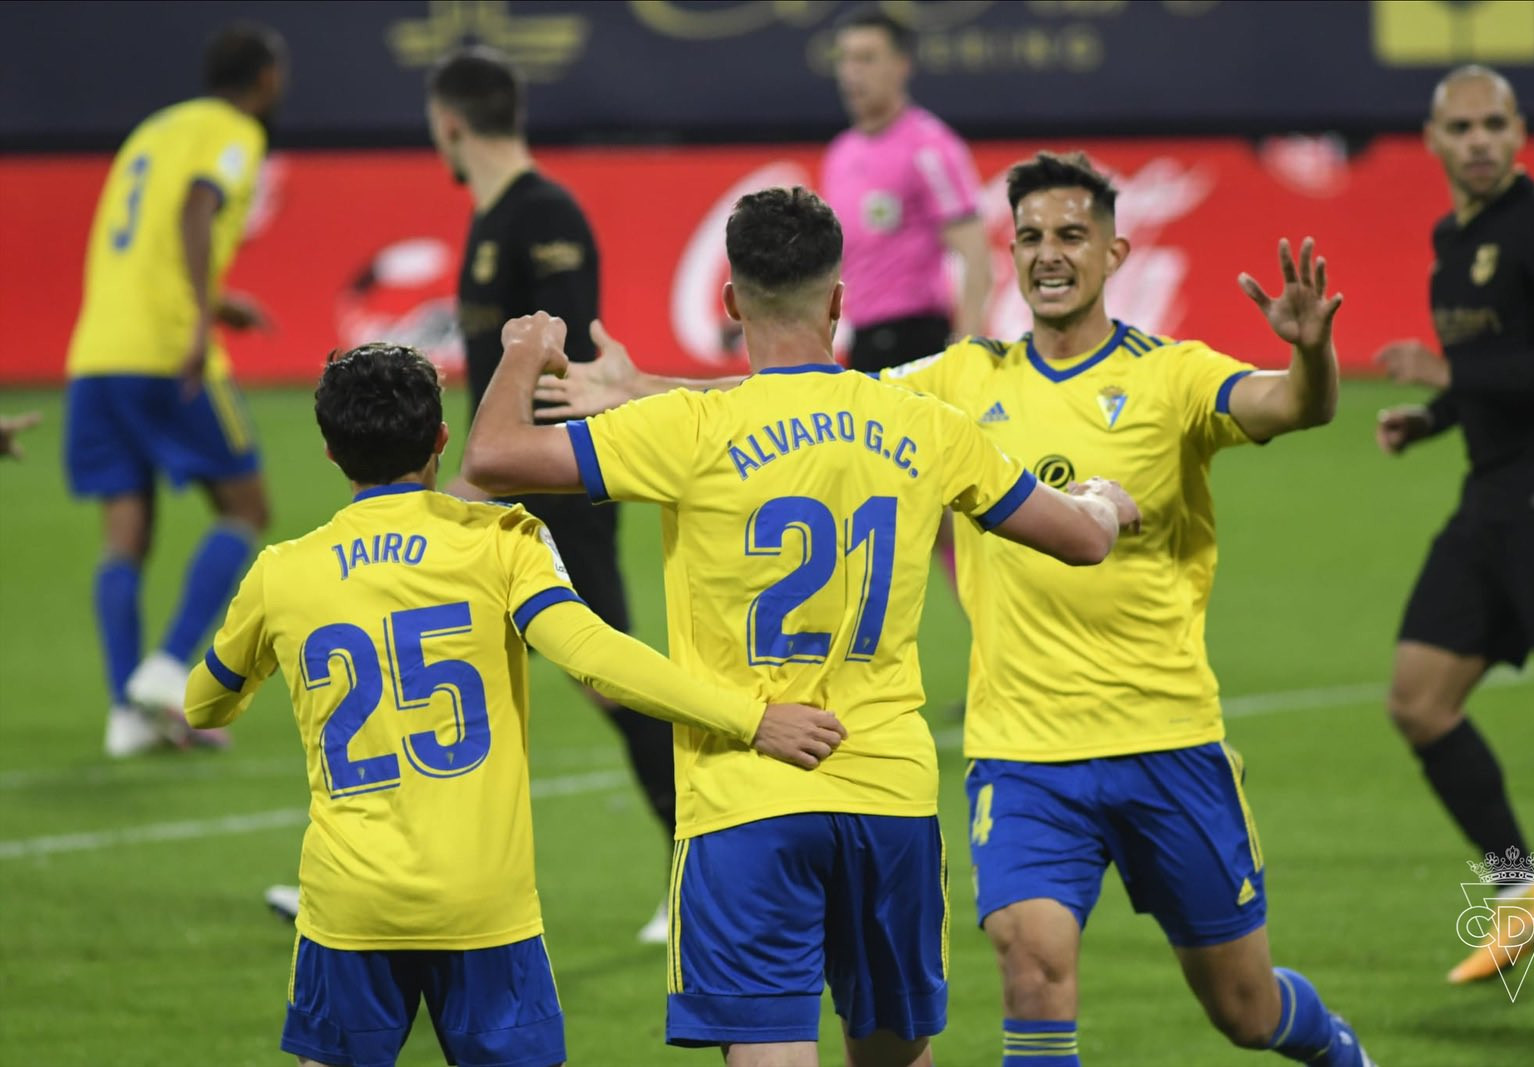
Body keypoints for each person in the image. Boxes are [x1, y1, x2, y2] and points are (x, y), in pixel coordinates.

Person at [534, 154, 1377, 1066]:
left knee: (1246, 1009)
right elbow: (797, 395)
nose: (1048, 255)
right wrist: (640, 393)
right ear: (1009, 253)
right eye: (1029, 237)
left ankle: (1332, 1048)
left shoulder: (1173, 377)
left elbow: (1292, 403)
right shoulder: (959, 381)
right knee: (1031, 957)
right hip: (1022, 750)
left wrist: (1312, 352)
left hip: (1166, 734)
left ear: (1117, 250)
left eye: (1070, 236)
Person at [460, 187, 1141, 1067]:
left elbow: (492, 456)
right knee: (895, 1055)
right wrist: (1103, 503)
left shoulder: (685, 427)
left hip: (747, 795)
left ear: (732, 302)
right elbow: (1079, 540)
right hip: (888, 792)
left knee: (769, 1049)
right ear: (838, 299)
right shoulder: (929, 427)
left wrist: (523, 353)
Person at [184, 342, 847, 1067]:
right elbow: (597, 655)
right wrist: (752, 718)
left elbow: (202, 705)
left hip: (349, 908)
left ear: (330, 452)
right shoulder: (503, 539)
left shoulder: (283, 573)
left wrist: (244, 673)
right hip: (485, 906)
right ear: (441, 441)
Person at [424, 44, 683, 944]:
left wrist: (486, 476)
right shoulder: (496, 215)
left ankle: (699, 857)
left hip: (548, 493)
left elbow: (558, 366)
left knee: (608, 673)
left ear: (449, 122)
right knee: (433, 665)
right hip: (503, 489)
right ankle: (397, 879)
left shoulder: (541, 213)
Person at [1373, 64, 1534, 985]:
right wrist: (1435, 420)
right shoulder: (1450, 236)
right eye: (1460, 128)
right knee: (1419, 700)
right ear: (1432, 139)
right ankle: (1523, 894)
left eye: (1493, 125)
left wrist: (1447, 379)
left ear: (1519, 132)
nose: (1478, 142)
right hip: (1491, 498)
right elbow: (1504, 367)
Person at [64, 23, 284, 758]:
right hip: (166, 350)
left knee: (125, 530)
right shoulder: (234, 132)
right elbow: (197, 206)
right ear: (263, 80)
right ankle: (166, 669)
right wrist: (199, 318)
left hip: (97, 351)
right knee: (248, 507)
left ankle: (128, 715)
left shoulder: (155, 130)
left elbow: (142, 238)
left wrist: (218, 301)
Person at [822, 10, 990, 373]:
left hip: (916, 337)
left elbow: (975, 254)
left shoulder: (930, 147)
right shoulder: (840, 152)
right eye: (846, 59)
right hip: (861, 340)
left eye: (866, 58)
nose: (852, 71)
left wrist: (964, 353)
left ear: (901, 65)